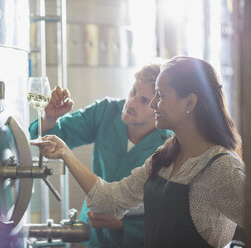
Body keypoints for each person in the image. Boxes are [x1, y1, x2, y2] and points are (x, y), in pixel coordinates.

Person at [33, 56, 245, 248]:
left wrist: (124, 227)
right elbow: (111, 200)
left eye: (158, 96)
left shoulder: (222, 167)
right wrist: (64, 151)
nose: (153, 104)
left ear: (189, 102)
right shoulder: (166, 155)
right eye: (134, 92)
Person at [29, 62, 172, 247]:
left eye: (144, 100)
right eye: (133, 91)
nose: (132, 103)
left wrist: (123, 226)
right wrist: (50, 118)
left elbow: (170, 217)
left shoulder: (169, 145)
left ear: (160, 106)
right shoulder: (106, 111)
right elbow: (46, 140)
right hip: (90, 233)